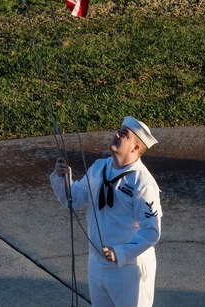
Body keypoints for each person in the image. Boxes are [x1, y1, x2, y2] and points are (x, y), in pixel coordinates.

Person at [50, 116, 162, 307]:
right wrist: (63, 178)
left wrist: (119, 253)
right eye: (119, 130)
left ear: (135, 148)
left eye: (124, 135)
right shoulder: (99, 168)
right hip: (97, 264)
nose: (116, 134)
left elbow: (151, 231)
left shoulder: (142, 182)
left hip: (129, 269)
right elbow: (74, 200)